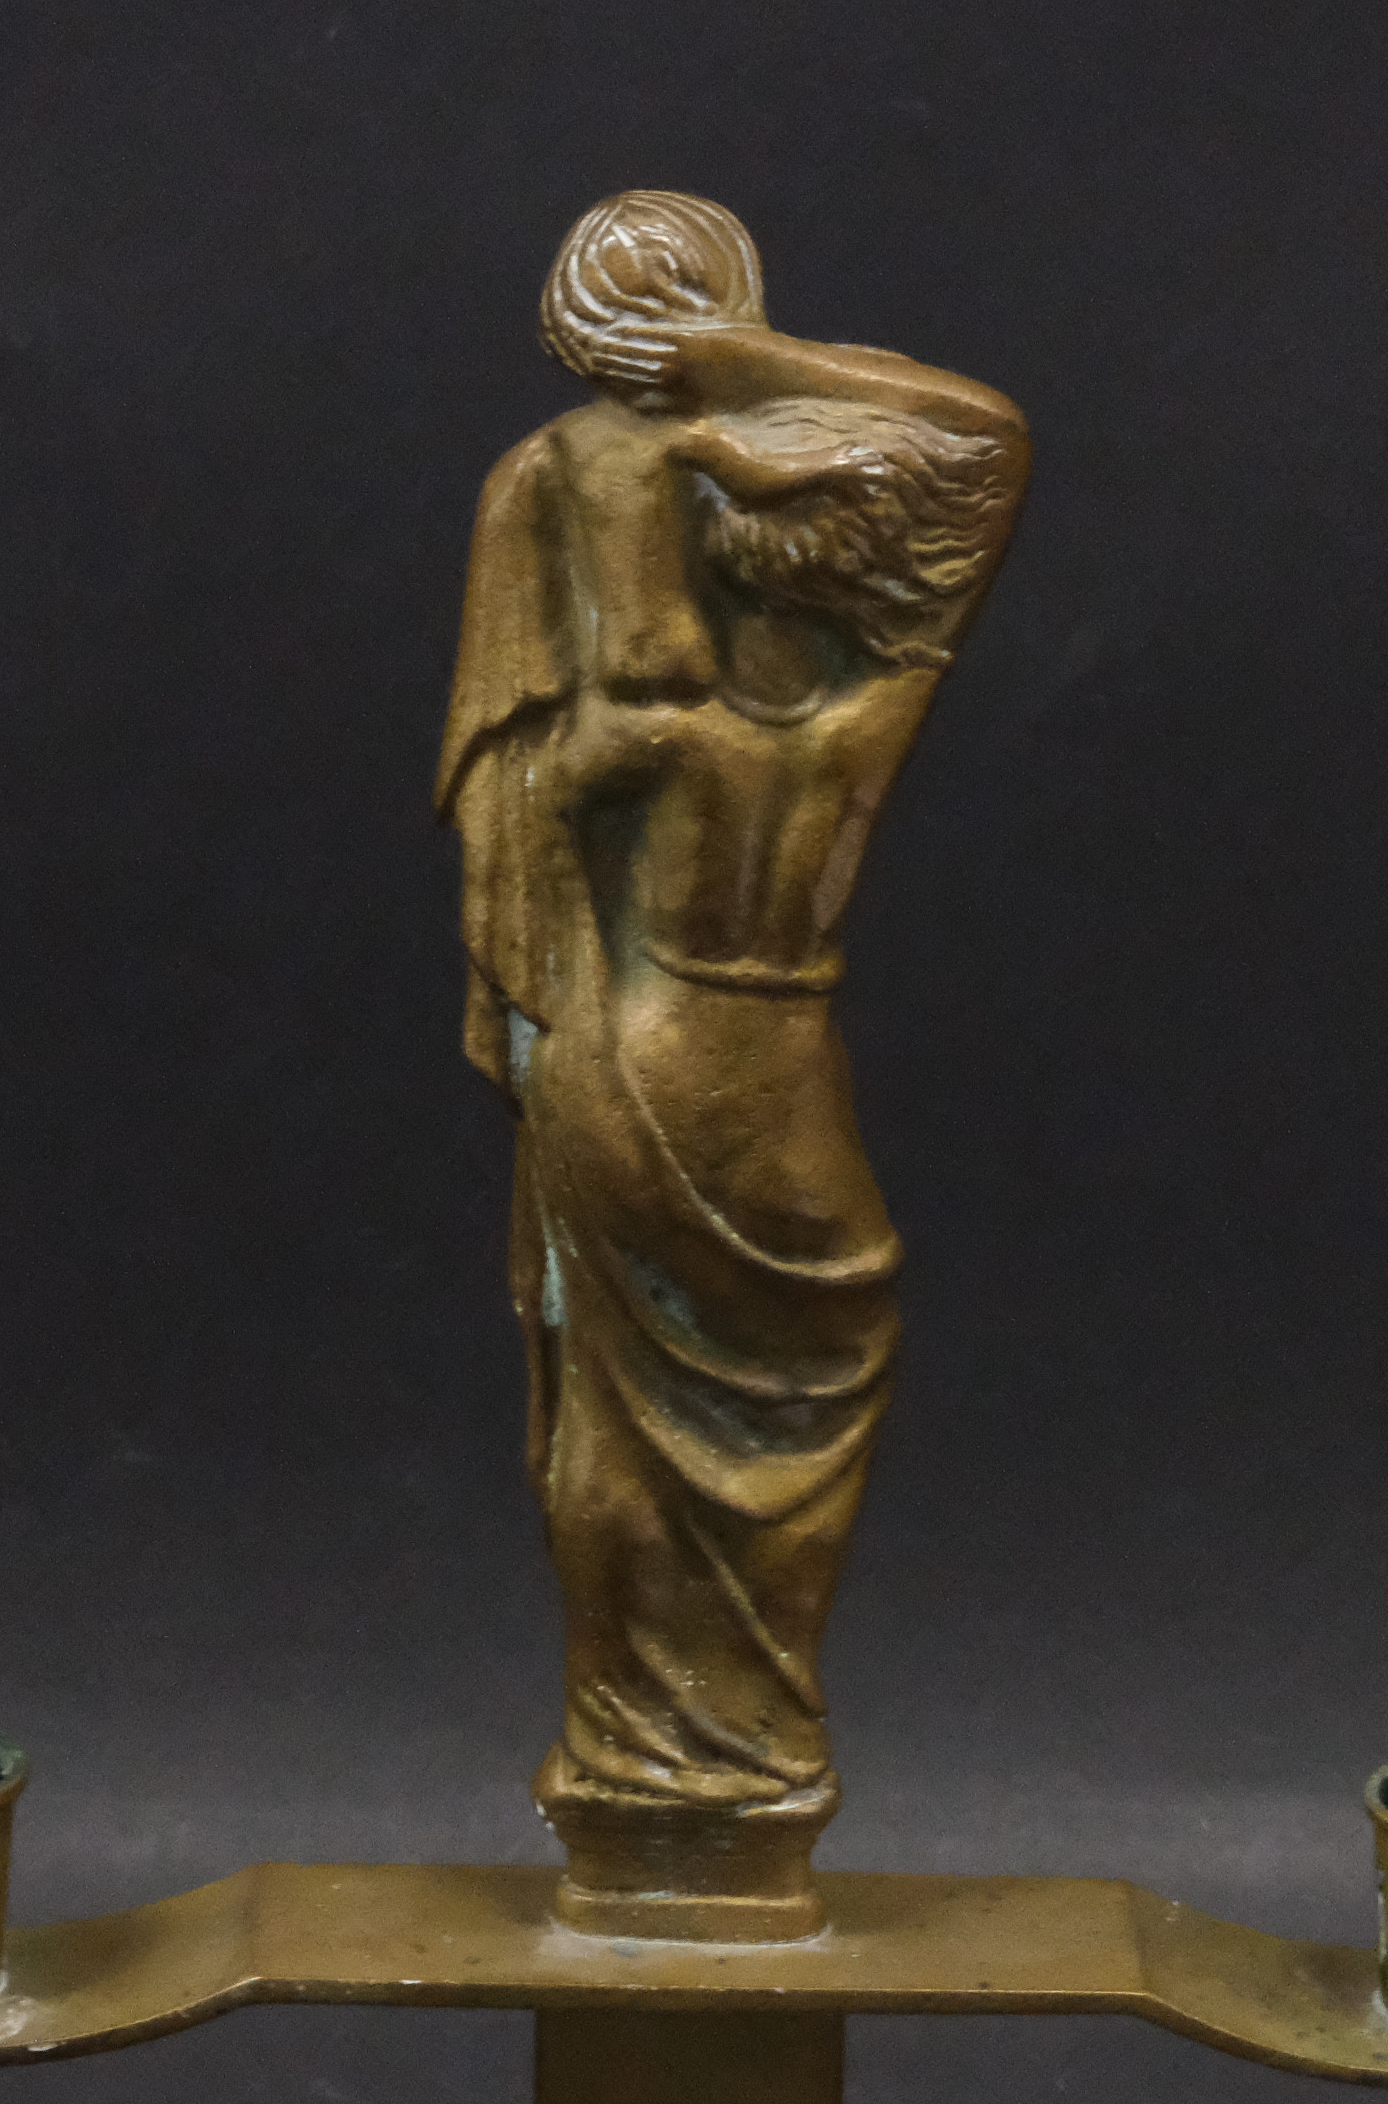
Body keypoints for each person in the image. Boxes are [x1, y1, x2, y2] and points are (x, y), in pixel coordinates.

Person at [438, 190, 1028, 1929]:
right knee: (802, 1385)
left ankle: (635, 1755)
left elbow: (545, 781)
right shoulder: (871, 707)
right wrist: (739, 367)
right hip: (758, 1068)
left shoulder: (639, 741)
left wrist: (656, 405)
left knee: (610, 1408)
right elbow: (985, 437)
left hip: (610, 1054)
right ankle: (734, 1762)